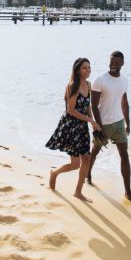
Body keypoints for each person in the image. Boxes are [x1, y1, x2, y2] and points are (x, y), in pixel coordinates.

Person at [87, 51, 131, 204]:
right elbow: (94, 105)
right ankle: (88, 174)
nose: (114, 64)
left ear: (122, 63)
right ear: (109, 61)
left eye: (118, 62)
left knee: (125, 155)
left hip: (119, 124)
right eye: (112, 61)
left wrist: (128, 122)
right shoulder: (100, 80)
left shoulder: (124, 80)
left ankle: (128, 192)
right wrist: (99, 126)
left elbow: (124, 101)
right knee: (95, 151)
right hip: (103, 123)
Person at [45, 57, 101, 202]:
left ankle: (78, 192)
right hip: (70, 126)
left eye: (89, 68)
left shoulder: (88, 85)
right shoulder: (73, 86)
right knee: (75, 164)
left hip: (82, 126)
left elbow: (87, 106)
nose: (88, 70)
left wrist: (92, 122)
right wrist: (89, 120)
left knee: (86, 159)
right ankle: (55, 173)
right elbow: (70, 110)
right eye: (84, 68)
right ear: (77, 70)